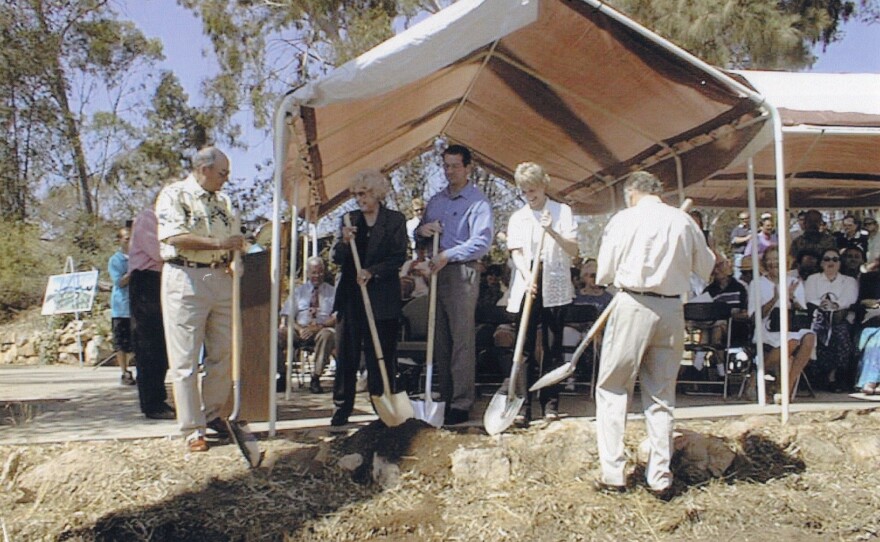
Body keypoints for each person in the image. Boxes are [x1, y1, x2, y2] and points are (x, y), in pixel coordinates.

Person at [593, 171, 715, 499]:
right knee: (661, 395)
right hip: (672, 309)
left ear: (631, 192)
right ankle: (660, 477)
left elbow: (604, 270)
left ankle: (613, 473)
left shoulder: (624, 219)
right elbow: (706, 266)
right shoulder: (683, 221)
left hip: (632, 302)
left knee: (613, 388)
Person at [156, 147, 243, 453]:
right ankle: (193, 428)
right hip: (185, 274)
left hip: (219, 275)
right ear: (203, 169)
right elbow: (173, 236)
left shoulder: (225, 202)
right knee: (185, 358)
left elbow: (235, 237)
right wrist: (218, 243)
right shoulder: (174, 195)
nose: (226, 179)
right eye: (222, 173)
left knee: (223, 351)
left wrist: (236, 250)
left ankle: (214, 413)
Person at [417, 144, 493, 425]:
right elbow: (421, 234)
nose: (450, 172)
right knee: (440, 339)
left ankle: (461, 402)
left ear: (467, 168)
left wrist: (449, 254)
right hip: (437, 274)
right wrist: (422, 231)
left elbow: (481, 242)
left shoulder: (478, 202)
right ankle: (444, 397)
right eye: (446, 166)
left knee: (462, 339)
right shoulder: (436, 201)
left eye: (455, 166)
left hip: (462, 272)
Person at [330, 169, 407, 426]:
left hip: (382, 297)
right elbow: (335, 258)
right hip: (351, 298)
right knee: (347, 354)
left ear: (376, 194)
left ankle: (382, 404)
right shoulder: (348, 219)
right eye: (355, 195)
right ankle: (342, 407)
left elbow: (398, 257)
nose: (359, 199)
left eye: (363, 194)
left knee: (381, 353)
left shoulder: (395, 220)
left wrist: (372, 272)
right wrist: (343, 242)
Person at [503, 162, 578, 425]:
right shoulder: (518, 217)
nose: (529, 195)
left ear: (543, 185)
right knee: (523, 345)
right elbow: (516, 252)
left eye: (532, 190)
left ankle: (550, 403)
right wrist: (526, 276)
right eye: (524, 191)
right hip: (527, 280)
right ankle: (521, 405)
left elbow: (573, 250)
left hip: (554, 280)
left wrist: (551, 231)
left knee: (551, 345)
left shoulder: (562, 212)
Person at [748, 246, 816, 402]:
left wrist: (791, 298)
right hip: (768, 328)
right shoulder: (757, 283)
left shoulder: (794, 282)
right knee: (791, 342)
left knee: (809, 337)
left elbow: (802, 312)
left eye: (777, 259)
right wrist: (774, 299)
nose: (773, 263)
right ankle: (761, 375)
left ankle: (785, 387)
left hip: (790, 325)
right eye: (769, 259)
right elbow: (754, 317)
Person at [129, 207, 174, 419]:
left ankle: (159, 398)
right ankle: (152, 403)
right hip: (147, 280)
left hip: (166, 280)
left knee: (163, 344)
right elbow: (159, 252)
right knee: (149, 343)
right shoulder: (148, 218)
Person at [279, 256, 336, 394]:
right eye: (314, 272)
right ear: (308, 273)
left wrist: (319, 326)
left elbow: (336, 316)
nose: (317, 275)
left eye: (320, 272)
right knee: (278, 335)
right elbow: (287, 315)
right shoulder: (299, 292)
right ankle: (281, 375)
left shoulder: (332, 291)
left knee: (328, 335)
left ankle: (315, 378)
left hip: (321, 328)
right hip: (299, 329)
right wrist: (300, 329)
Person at [805, 247, 859, 391]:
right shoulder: (812, 279)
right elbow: (809, 297)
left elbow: (850, 299)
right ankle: (820, 375)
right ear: (821, 263)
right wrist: (823, 304)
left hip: (840, 319)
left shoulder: (849, 281)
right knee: (815, 334)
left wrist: (835, 304)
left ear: (840, 263)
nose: (831, 262)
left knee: (840, 334)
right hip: (818, 318)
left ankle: (836, 376)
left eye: (835, 259)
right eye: (827, 259)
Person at [108, 227, 135, 386]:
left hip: (138, 307)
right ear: (120, 240)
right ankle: (124, 371)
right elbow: (119, 282)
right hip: (122, 307)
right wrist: (134, 272)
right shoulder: (116, 260)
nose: (130, 242)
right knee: (121, 343)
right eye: (127, 239)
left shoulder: (139, 257)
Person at [855, 258, 880, 395]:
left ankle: (872, 380)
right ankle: (871, 380)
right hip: (873, 320)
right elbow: (860, 301)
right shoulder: (870, 278)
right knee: (877, 340)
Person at [729, 211, 751, 278]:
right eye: (742, 219)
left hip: (751, 256)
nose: (744, 220)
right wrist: (747, 238)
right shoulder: (737, 230)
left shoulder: (752, 228)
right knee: (738, 274)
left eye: (746, 218)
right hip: (740, 255)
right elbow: (734, 240)